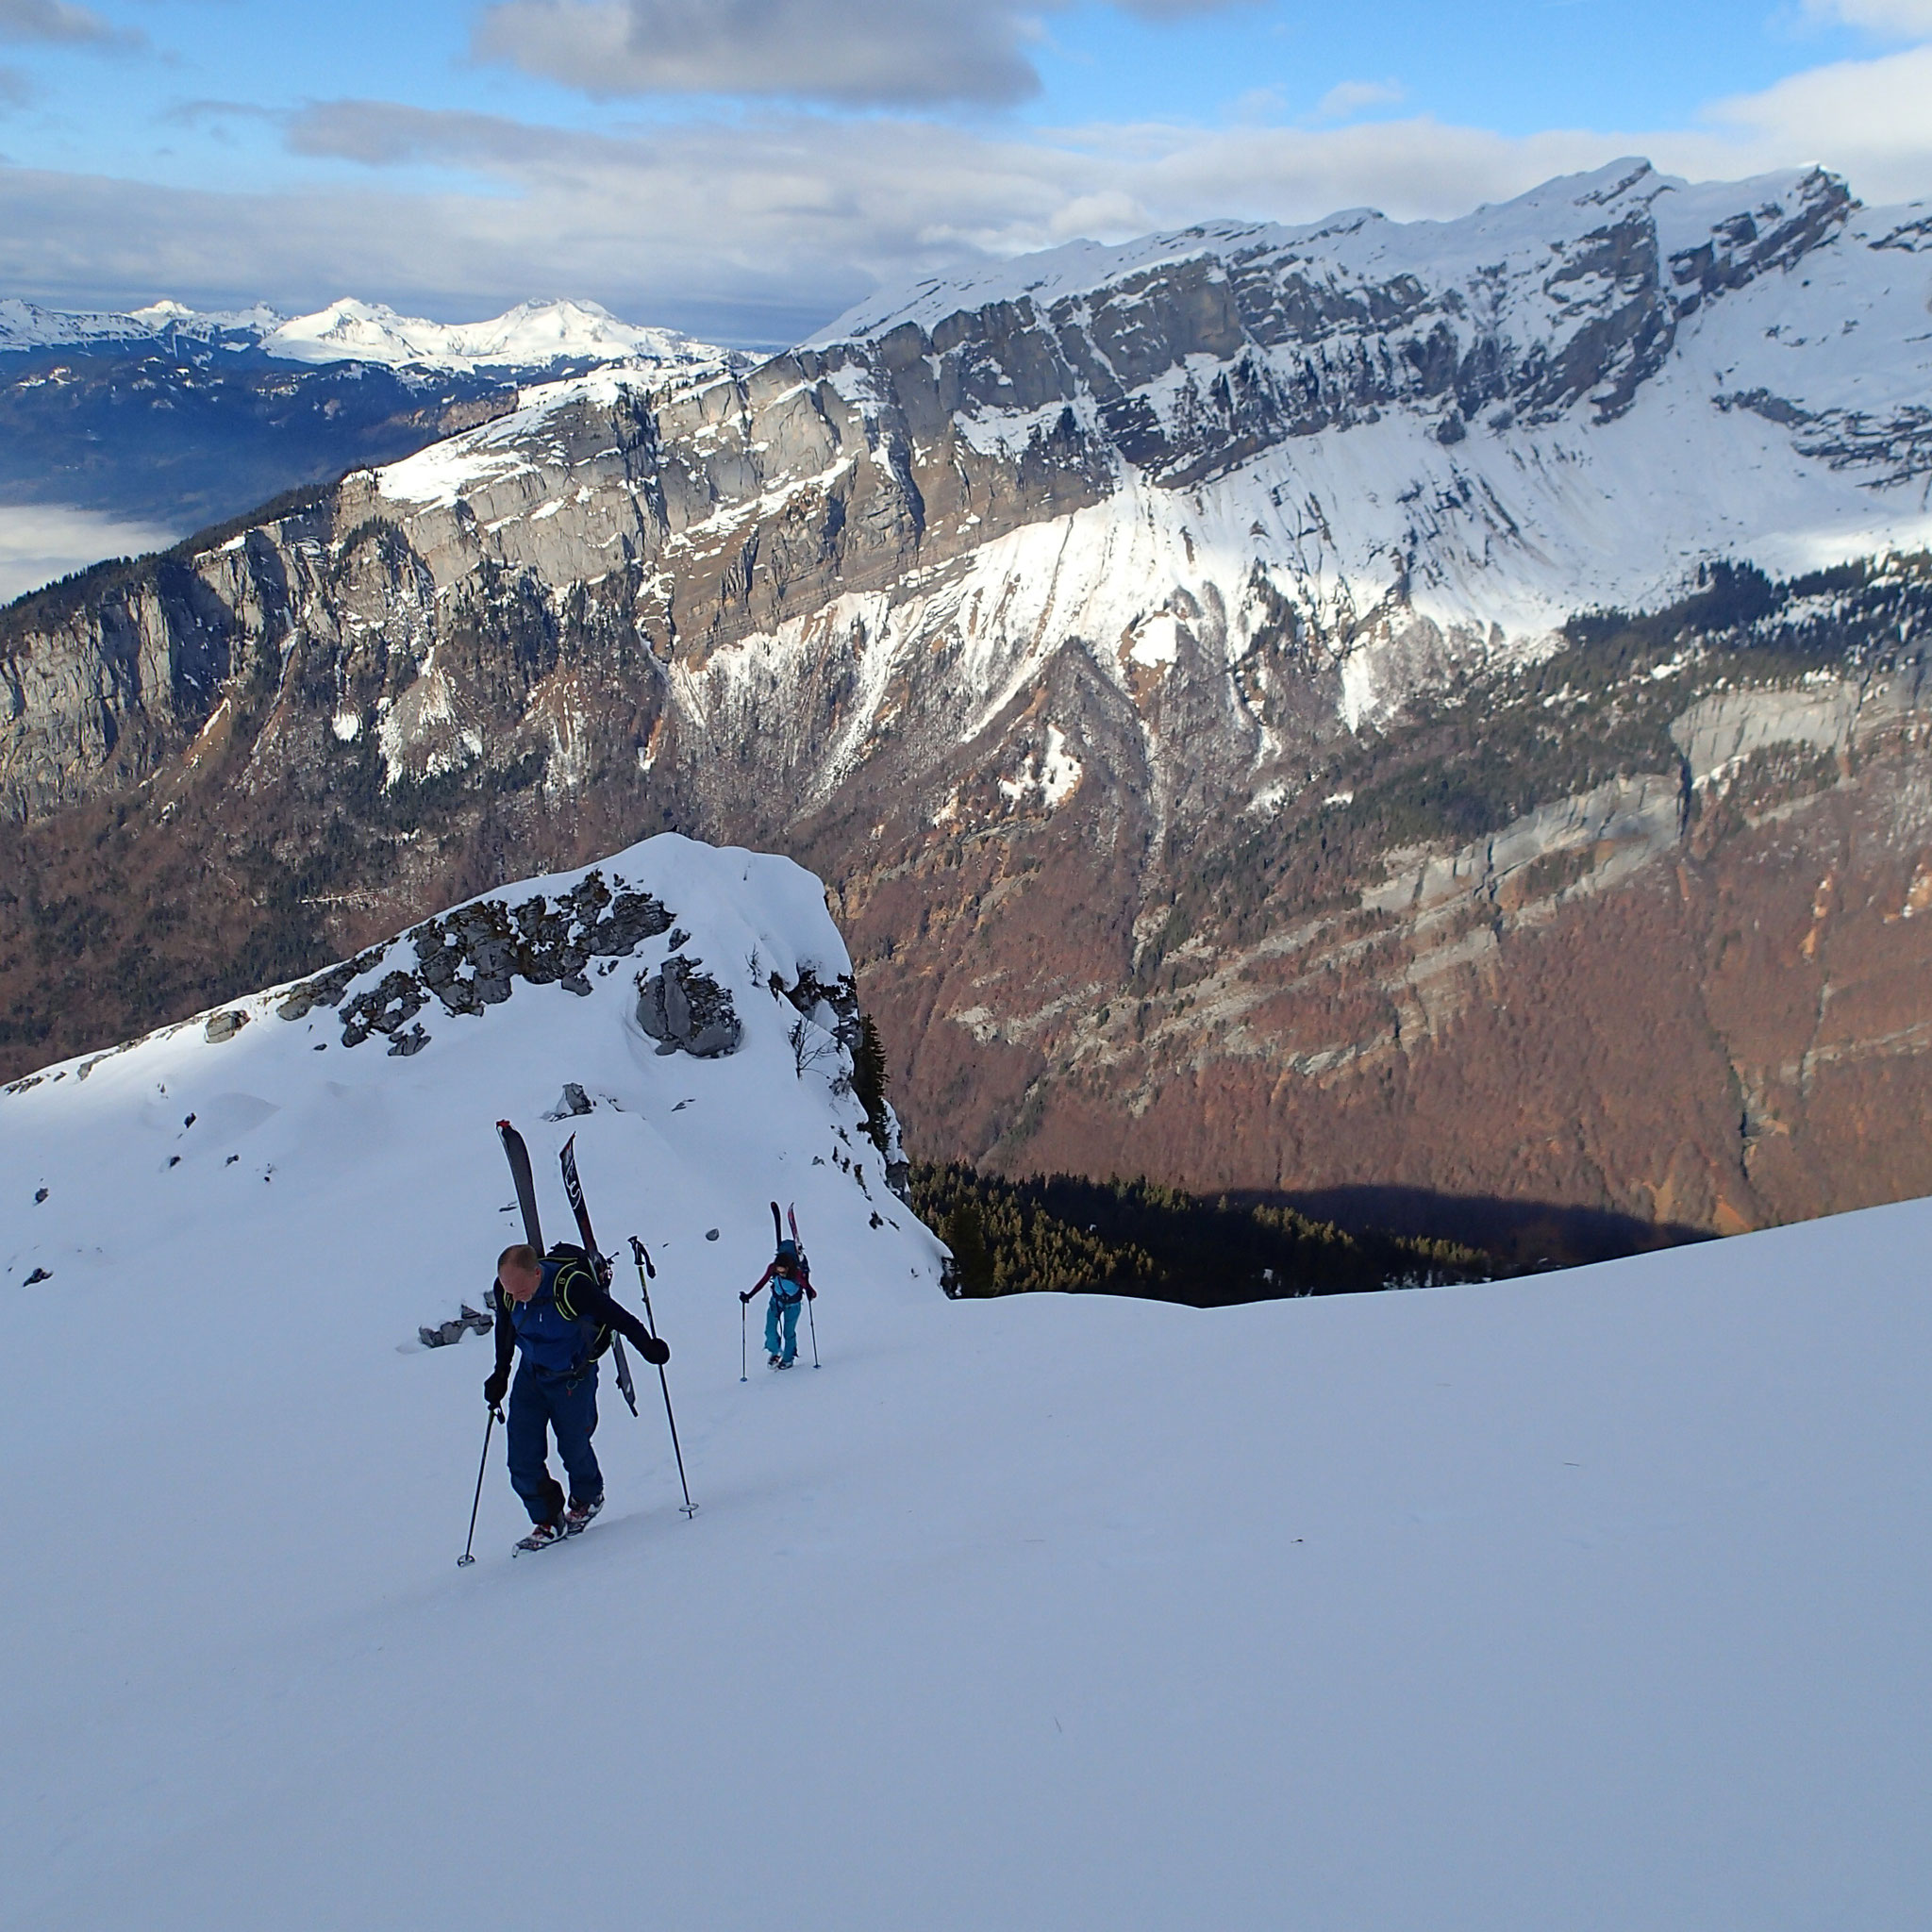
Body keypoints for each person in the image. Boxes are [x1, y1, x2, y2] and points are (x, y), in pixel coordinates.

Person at [485, 1242, 669, 1551]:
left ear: (537, 1273)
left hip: (573, 1377)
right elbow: (505, 1332)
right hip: (531, 1376)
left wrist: (648, 1347)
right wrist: (500, 1375)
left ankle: (587, 1497)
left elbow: (618, 1318)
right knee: (520, 1454)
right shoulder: (507, 1291)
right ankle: (548, 1520)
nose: (513, 1297)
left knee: (573, 1445)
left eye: (518, 1290)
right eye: (508, 1290)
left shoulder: (572, 1287)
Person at [741, 1237, 815, 1370]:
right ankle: (775, 1352)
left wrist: (810, 1292)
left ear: (788, 1267)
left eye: (783, 1271)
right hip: (776, 1302)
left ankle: (788, 1359)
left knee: (789, 1332)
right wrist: (749, 1295)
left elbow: (810, 1289)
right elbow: (762, 1282)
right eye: (778, 1271)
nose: (780, 1273)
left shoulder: (797, 1273)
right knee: (769, 1330)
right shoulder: (772, 1268)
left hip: (793, 1305)